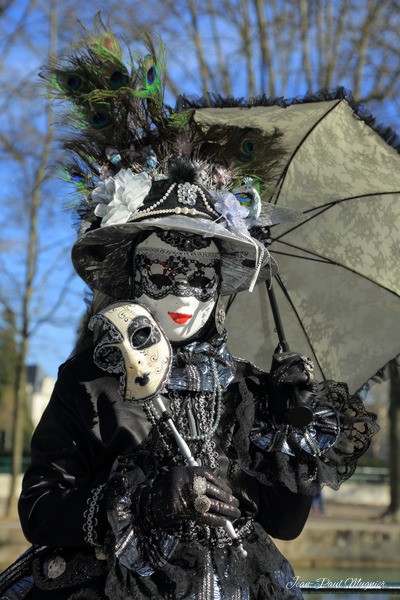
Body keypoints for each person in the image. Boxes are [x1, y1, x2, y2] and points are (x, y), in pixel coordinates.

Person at [0, 18, 378, 600]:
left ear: (223, 281)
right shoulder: (93, 383)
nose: (183, 290)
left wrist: (294, 434)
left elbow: (284, 522)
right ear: (130, 270)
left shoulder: (248, 391)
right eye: (163, 268)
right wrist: (146, 500)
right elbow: (41, 508)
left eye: (201, 272)